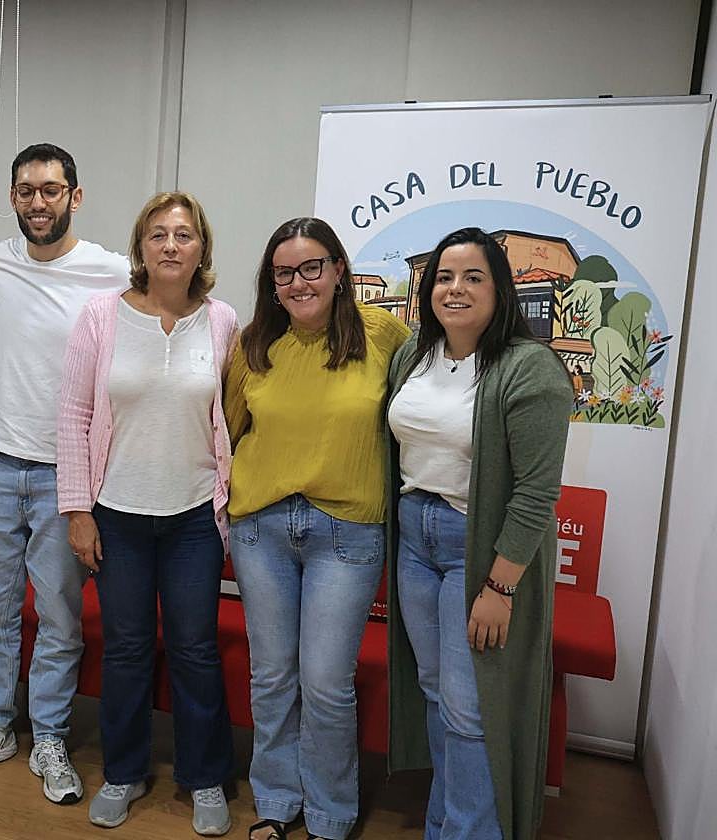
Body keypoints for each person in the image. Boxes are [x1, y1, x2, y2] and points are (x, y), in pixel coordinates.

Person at [0, 143, 129, 805]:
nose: (38, 202)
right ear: (14, 197)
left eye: (51, 190)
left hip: (64, 473)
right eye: (27, 191)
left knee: (58, 617)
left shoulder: (111, 269)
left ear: (75, 196)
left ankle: (48, 734)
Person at [58, 192, 238, 835]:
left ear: (201, 249)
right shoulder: (101, 316)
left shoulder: (222, 322)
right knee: (128, 649)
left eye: (183, 234)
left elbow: (233, 422)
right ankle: (123, 772)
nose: (170, 244)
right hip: (117, 516)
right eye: (158, 234)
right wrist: (78, 510)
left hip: (193, 518)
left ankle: (206, 778)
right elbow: (74, 416)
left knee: (195, 650)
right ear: (139, 248)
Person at [223, 218, 409, 840]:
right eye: (284, 272)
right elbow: (226, 433)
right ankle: (276, 804)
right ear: (271, 283)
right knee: (272, 675)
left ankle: (330, 815)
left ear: (337, 271)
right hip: (262, 528)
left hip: (347, 531)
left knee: (327, 683)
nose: (299, 282)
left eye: (312, 267)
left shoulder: (383, 336)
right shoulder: (253, 345)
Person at [385, 227, 572, 840]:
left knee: (471, 712)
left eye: (473, 277)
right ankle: (445, 823)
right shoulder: (414, 354)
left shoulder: (529, 367)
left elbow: (537, 493)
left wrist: (501, 586)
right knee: (437, 693)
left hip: (480, 549)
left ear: (501, 289)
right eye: (443, 276)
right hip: (416, 540)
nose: (455, 289)